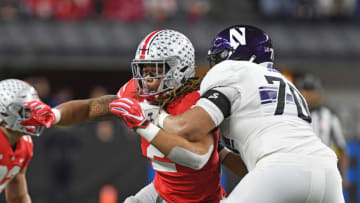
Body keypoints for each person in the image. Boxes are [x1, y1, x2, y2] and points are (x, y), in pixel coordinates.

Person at [110, 25, 345, 202]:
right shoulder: (287, 85)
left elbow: (188, 128)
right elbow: (249, 164)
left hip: (280, 169)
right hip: (328, 174)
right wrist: (220, 152)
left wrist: (151, 116)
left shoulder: (233, 71)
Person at [25, 29, 246, 202]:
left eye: (155, 71)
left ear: (179, 69)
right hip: (161, 190)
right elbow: (92, 108)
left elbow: (199, 158)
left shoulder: (195, 104)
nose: (146, 79)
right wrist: (54, 114)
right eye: (143, 70)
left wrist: (144, 123)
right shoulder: (137, 92)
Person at [0, 79, 49, 203]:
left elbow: (18, 197)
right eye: (26, 111)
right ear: (5, 110)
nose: (33, 116)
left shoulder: (24, 144)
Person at [296, 73, 349, 187]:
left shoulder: (329, 115)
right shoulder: (292, 114)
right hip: (299, 170)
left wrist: (344, 175)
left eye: (312, 91)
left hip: (324, 169)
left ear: (319, 93)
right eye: (305, 91)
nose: (309, 95)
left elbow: (342, 148)